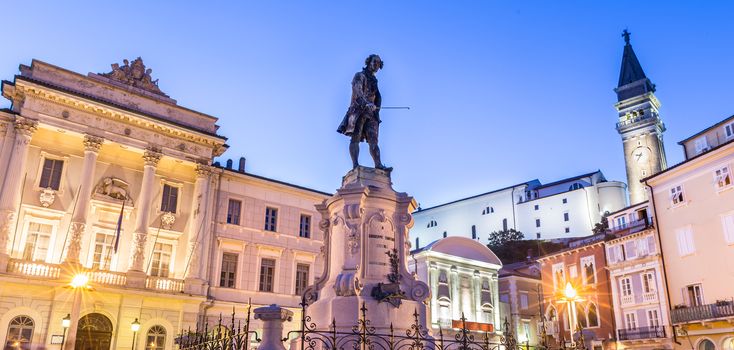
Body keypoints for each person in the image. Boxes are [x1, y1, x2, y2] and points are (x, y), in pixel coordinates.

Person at [337, 54, 391, 171]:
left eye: (378, 63)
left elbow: (377, 97)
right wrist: (366, 103)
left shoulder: (374, 81)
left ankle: (378, 165)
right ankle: (355, 165)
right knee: (355, 138)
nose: (376, 65)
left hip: (371, 114)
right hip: (358, 111)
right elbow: (357, 91)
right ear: (368, 62)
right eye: (374, 62)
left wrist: (376, 109)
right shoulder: (359, 75)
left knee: (374, 140)